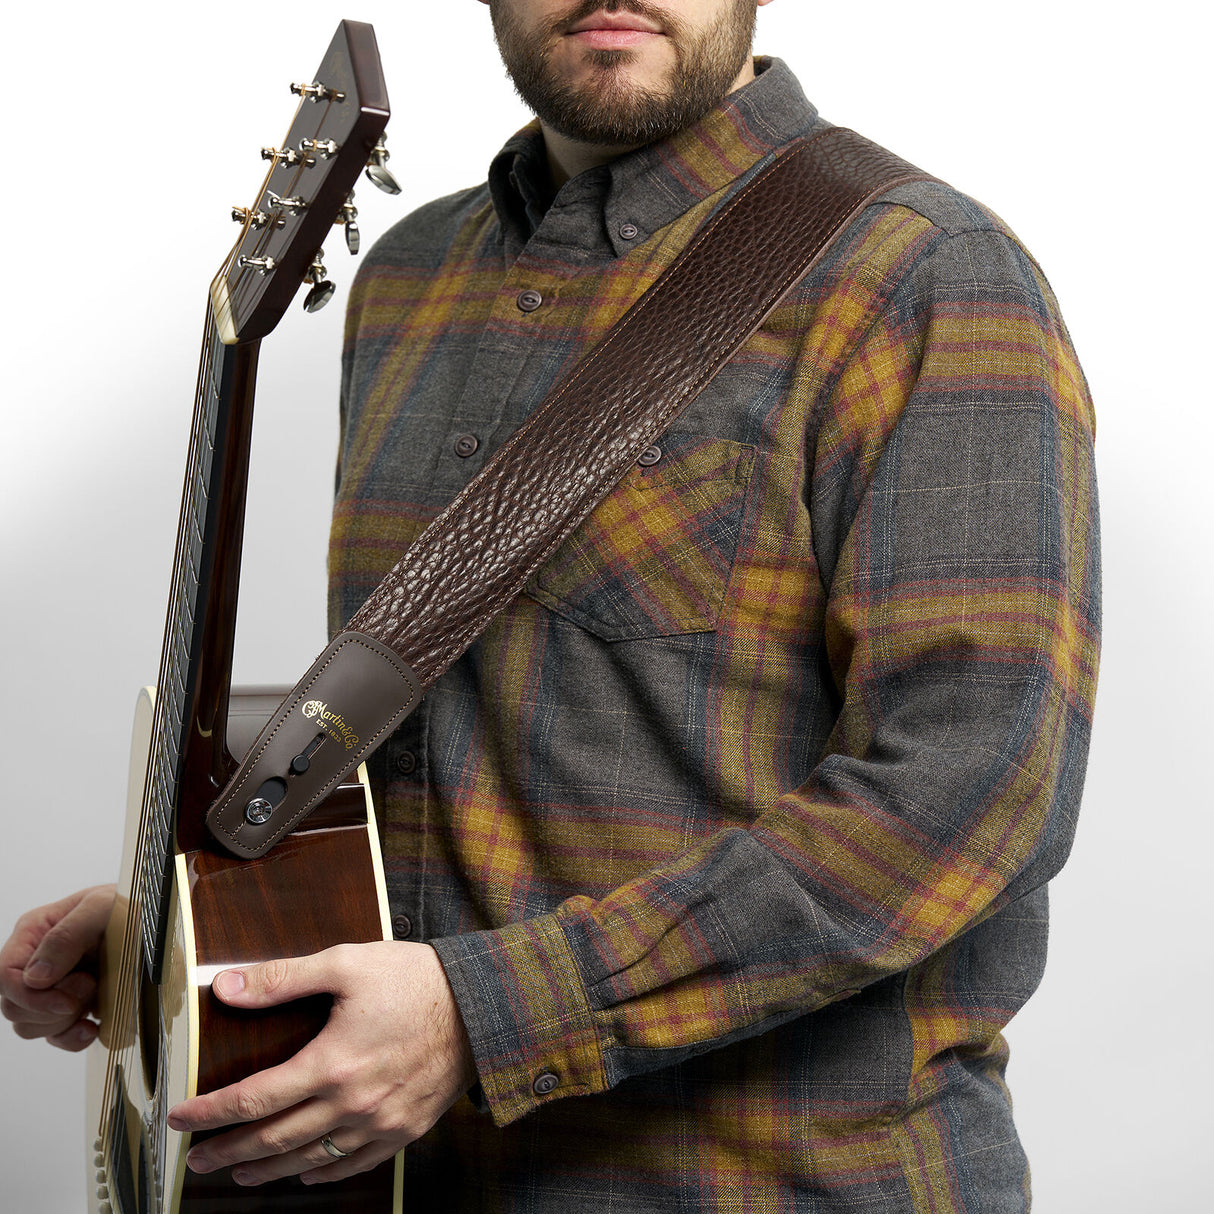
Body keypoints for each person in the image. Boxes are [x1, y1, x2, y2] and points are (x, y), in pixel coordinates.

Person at [0, 1, 1100, 1209]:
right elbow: (416, 782)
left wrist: (487, 1014)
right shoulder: (408, 276)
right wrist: (194, 943)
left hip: (774, 1183)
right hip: (415, 1184)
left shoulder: (925, 274)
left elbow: (970, 791)